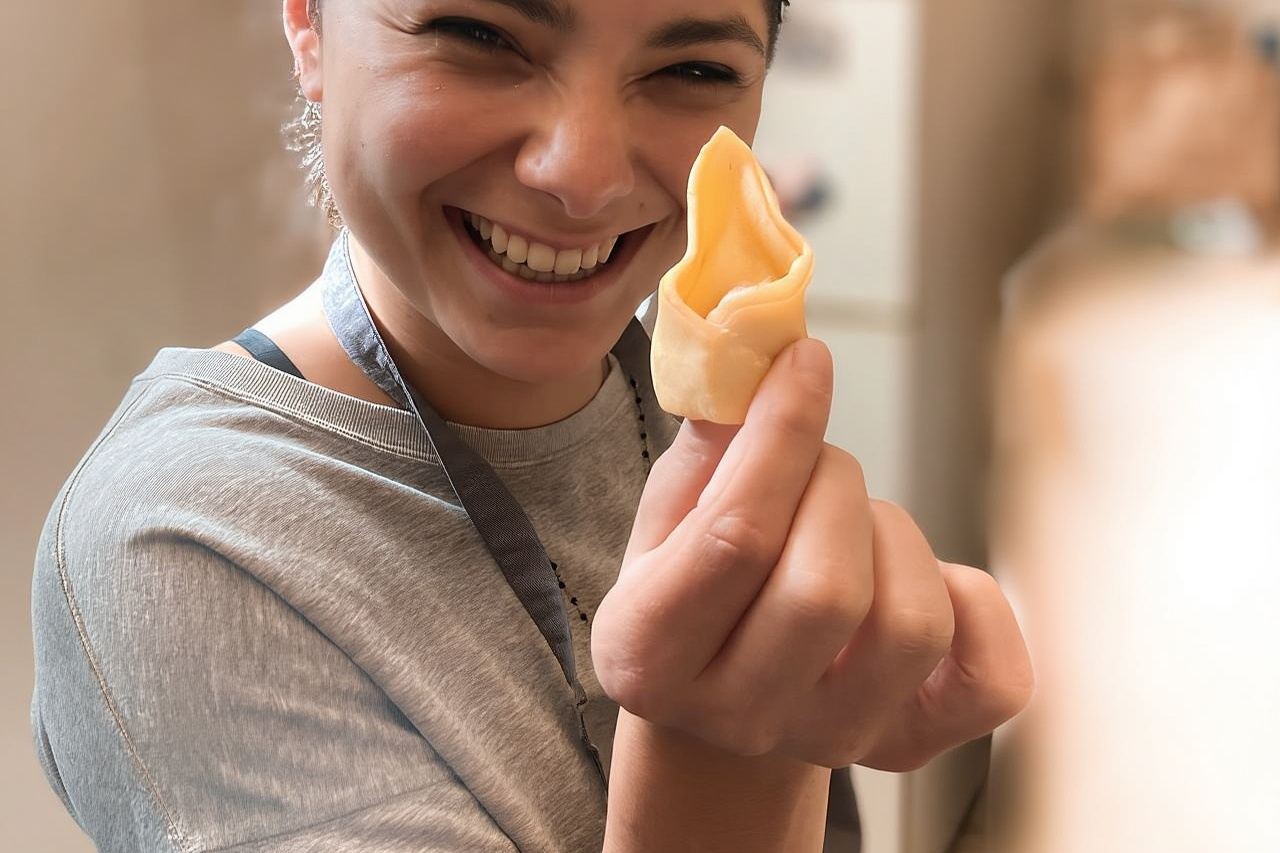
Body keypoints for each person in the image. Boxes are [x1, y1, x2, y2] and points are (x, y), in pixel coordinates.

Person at [30, 1, 1034, 851]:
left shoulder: (672, 396)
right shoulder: (183, 543)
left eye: (691, 67)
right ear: (306, 23)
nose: (582, 174)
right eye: (480, 32)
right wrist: (731, 752)